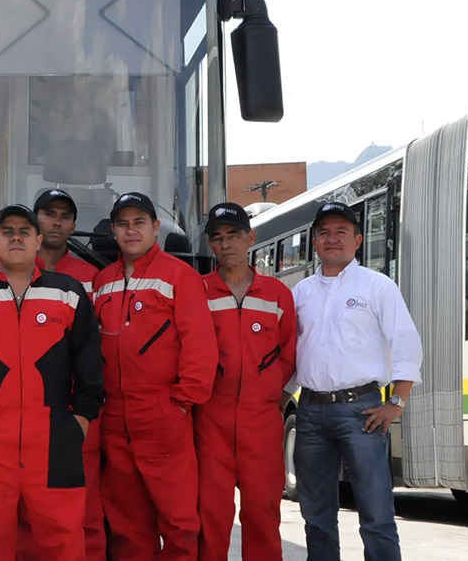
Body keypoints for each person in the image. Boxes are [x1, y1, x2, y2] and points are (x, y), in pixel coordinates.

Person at [0, 204, 104, 561]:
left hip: (54, 443)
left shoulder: (69, 293)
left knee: (63, 545)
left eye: (24, 231)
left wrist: (79, 422)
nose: (16, 237)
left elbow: (90, 364)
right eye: (7, 231)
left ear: (38, 240)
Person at [288, 202, 422, 561]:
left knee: (377, 515)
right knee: (316, 517)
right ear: (314, 242)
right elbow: (291, 353)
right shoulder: (300, 294)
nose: (332, 239)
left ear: (357, 240)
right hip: (310, 413)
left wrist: (397, 402)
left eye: (341, 232)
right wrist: (279, 400)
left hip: (362, 412)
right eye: (324, 233)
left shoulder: (377, 287)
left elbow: (406, 343)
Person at [92, 192, 218, 560]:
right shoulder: (102, 281)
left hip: (162, 410)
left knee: (178, 518)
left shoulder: (180, 275)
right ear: (114, 230)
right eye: (123, 224)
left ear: (155, 227)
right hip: (114, 414)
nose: (131, 230)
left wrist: (181, 401)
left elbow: (199, 344)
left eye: (139, 223)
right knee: (126, 520)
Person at [194, 203, 297, 561]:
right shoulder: (198, 291)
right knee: (210, 517)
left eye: (233, 235)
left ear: (250, 238)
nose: (226, 244)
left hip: (262, 424)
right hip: (210, 422)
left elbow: (288, 354)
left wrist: (271, 399)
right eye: (217, 238)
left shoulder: (277, 294)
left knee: (263, 517)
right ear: (210, 244)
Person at [23, 188, 105, 561]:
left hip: (77, 409)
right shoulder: (13, 271)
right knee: (25, 511)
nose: (56, 222)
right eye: (49, 213)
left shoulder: (92, 277)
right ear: (35, 220)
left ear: (73, 225)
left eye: (64, 216)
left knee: (85, 508)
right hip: (24, 407)